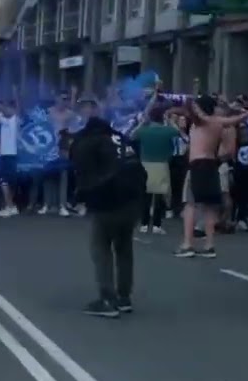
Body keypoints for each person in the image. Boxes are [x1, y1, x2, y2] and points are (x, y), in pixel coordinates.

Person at [70, 96, 146, 317]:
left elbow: (83, 175)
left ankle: (107, 299)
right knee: (124, 248)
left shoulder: (87, 142)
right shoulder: (119, 138)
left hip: (108, 201)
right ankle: (124, 297)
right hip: (132, 200)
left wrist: (82, 199)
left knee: (101, 248)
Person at [174, 95, 248, 258]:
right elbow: (236, 119)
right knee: (209, 207)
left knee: (190, 204)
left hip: (198, 165)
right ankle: (209, 245)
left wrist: (191, 98)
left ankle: (187, 244)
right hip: (212, 164)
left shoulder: (203, 121)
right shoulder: (218, 122)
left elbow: (189, 106)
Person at [131, 101, 178, 234]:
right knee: (159, 196)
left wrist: (141, 123)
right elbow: (177, 131)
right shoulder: (167, 131)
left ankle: (144, 223)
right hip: (162, 165)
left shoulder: (144, 131)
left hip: (145, 164)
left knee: (145, 195)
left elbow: (132, 135)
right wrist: (169, 121)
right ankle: (157, 224)